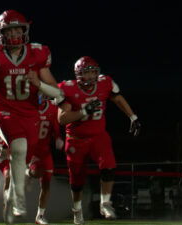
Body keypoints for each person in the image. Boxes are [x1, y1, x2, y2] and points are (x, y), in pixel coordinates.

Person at [0, 9, 63, 223]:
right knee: (19, 147)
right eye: (10, 30)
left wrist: (38, 84)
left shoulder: (38, 54)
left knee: (21, 158)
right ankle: (18, 199)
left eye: (18, 29)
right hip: (3, 111)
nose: (15, 34)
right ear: (1, 34)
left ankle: (11, 195)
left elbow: (57, 93)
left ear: (25, 30)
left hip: (30, 116)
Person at [57, 56, 141, 224]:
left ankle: (105, 203)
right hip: (76, 139)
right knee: (77, 180)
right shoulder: (68, 89)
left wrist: (132, 116)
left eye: (93, 72)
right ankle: (77, 209)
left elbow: (117, 98)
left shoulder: (105, 83)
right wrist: (84, 111)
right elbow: (62, 119)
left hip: (98, 136)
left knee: (109, 166)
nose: (91, 76)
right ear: (79, 75)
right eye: (86, 73)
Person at [26, 96, 64, 224]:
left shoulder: (52, 107)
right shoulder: (27, 107)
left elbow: (55, 125)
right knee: (37, 173)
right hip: (31, 149)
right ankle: (28, 174)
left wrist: (58, 137)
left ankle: (40, 216)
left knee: (46, 183)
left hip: (45, 150)